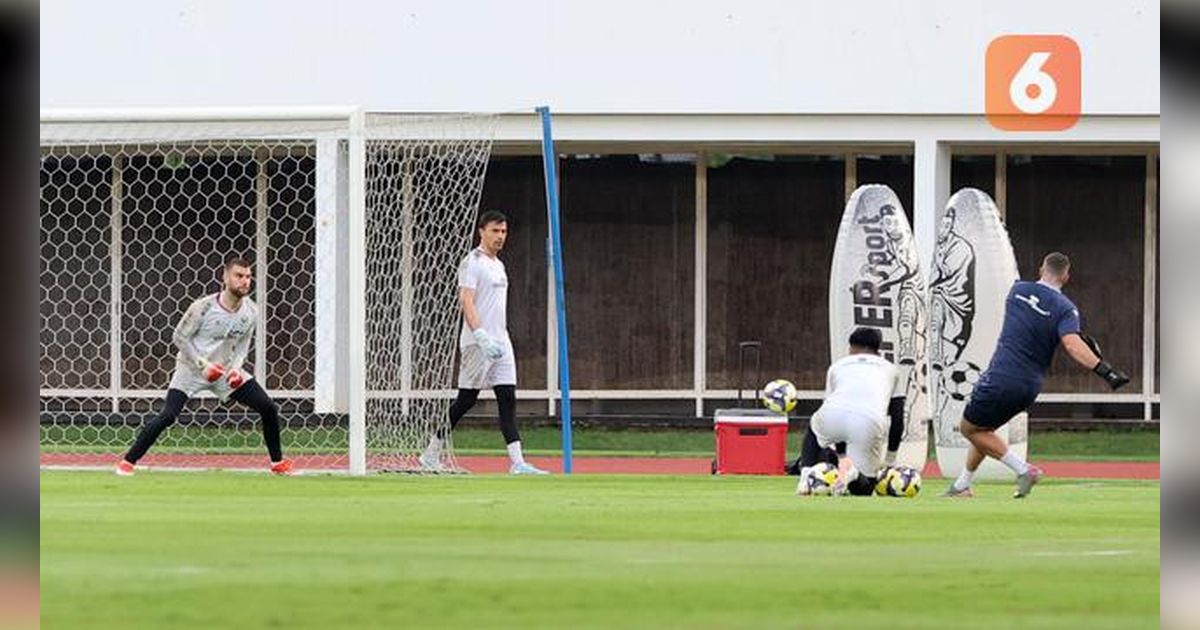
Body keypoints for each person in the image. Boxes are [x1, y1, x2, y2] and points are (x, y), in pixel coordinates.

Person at [943, 252, 1130, 499]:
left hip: (1001, 377)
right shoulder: (1066, 309)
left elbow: (1067, 339)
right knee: (984, 430)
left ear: (1042, 270)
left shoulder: (1017, 290)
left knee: (969, 429)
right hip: (1030, 386)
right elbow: (1073, 344)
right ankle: (961, 486)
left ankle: (1024, 470)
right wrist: (1107, 372)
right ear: (1066, 277)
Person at [115, 257, 292, 476]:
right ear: (225, 277)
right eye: (239, 276)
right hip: (191, 369)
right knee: (168, 415)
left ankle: (277, 463)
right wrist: (202, 365)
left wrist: (236, 368)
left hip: (223, 371)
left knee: (268, 408)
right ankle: (127, 462)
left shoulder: (251, 311)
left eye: (248, 276)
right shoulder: (203, 307)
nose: (245, 281)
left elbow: (243, 344)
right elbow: (179, 337)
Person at [420, 211, 548, 475]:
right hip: (477, 343)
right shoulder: (472, 262)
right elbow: (466, 300)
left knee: (507, 398)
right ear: (482, 231)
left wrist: (497, 338)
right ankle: (431, 452)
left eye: (504, 231)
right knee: (466, 400)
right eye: (495, 231)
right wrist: (480, 334)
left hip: (501, 342)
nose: (500, 236)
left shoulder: (499, 265)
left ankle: (518, 462)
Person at [795, 327, 901, 496]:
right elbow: (898, 417)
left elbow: (837, 406)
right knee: (865, 489)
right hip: (869, 422)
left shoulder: (837, 366)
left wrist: (842, 456)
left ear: (851, 347)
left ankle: (805, 477)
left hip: (831, 416)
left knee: (814, 427)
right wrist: (890, 460)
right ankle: (854, 474)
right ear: (877, 349)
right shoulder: (891, 369)